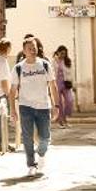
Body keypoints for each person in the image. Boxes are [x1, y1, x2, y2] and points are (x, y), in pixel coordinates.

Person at [17, 35, 56, 176]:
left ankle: (41, 153)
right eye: (29, 48)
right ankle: (31, 164)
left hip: (43, 106)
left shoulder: (45, 65)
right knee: (27, 137)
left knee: (45, 137)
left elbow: (53, 85)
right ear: (24, 51)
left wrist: (56, 105)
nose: (33, 50)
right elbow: (12, 89)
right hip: (25, 106)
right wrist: (13, 110)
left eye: (34, 48)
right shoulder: (19, 68)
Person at [0, 38, 18, 147]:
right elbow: (4, 81)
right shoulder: (2, 61)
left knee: (0, 120)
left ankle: (2, 143)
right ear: (7, 48)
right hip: (1, 94)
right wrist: (9, 94)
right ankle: (2, 144)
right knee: (2, 120)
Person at [52, 46, 75, 123]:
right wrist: (57, 61)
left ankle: (65, 116)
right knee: (59, 102)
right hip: (56, 82)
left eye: (64, 54)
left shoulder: (67, 61)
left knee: (70, 100)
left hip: (66, 82)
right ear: (58, 52)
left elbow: (71, 73)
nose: (63, 55)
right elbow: (53, 71)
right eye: (61, 53)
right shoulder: (54, 61)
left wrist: (73, 83)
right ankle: (61, 119)